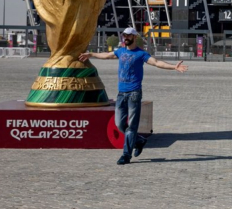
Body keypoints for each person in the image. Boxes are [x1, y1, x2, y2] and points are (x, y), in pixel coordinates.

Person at [79, 27, 187, 165]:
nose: (125, 38)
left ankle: (126, 155)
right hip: (121, 94)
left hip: (134, 94)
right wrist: (91, 54)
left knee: (132, 126)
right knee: (119, 124)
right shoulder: (121, 51)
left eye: (128, 36)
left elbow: (156, 62)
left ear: (135, 37)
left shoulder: (141, 54)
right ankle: (139, 140)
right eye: (124, 35)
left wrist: (174, 67)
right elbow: (107, 55)